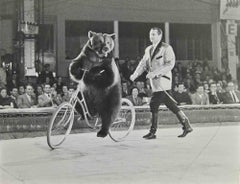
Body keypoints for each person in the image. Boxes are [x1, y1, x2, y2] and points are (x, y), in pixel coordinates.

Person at [130, 27, 193, 139]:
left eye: (154, 34)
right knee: (171, 105)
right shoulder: (148, 49)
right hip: (155, 84)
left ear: (160, 36)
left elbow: (170, 64)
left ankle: (153, 132)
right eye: (150, 34)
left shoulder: (166, 48)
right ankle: (186, 125)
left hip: (163, 82)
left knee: (153, 104)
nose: (151, 36)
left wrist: (154, 73)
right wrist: (135, 75)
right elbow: (142, 64)